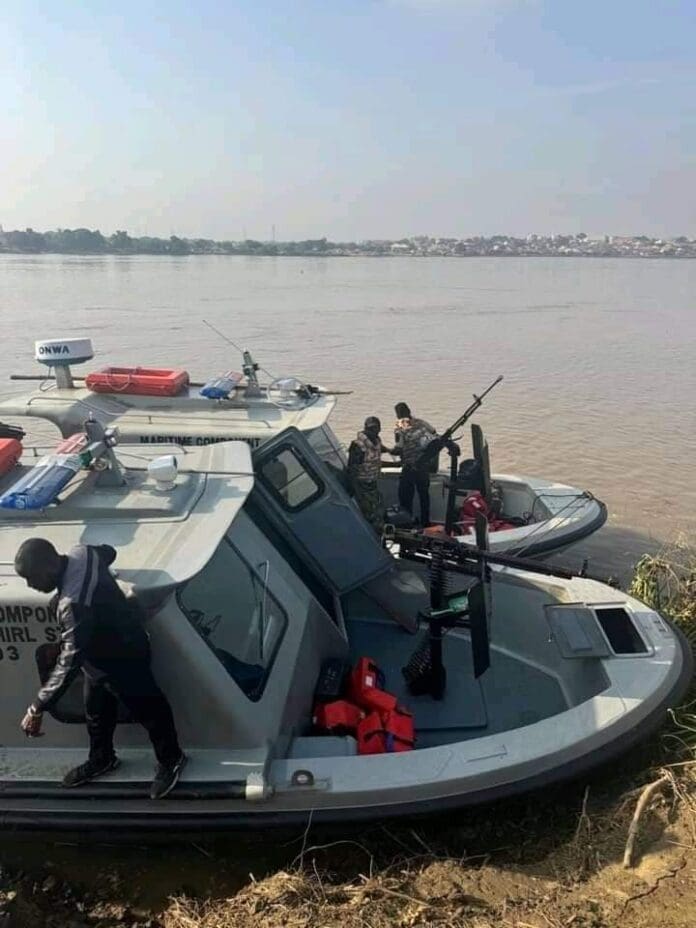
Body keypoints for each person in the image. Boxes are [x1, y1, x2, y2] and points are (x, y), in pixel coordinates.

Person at [15, 538, 186, 800]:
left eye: (32, 578)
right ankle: (102, 758)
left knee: (150, 710)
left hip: (123, 657)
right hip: (97, 661)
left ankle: (172, 760)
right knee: (95, 712)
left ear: (49, 567)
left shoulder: (73, 605)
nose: (30, 586)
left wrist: (38, 707)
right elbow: (109, 552)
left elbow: (70, 658)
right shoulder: (83, 553)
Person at [393, 402, 438, 526]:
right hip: (423, 466)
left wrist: (383, 449)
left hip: (409, 467)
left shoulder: (400, 426)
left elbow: (398, 449)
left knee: (405, 496)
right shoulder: (421, 422)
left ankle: (407, 523)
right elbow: (434, 434)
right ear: (409, 410)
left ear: (399, 414)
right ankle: (425, 522)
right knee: (424, 495)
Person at [347, 416, 393, 532]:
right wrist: (357, 491)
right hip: (362, 485)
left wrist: (396, 462)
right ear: (366, 428)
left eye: (376, 428)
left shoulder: (377, 441)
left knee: (380, 509)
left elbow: (376, 458)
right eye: (371, 428)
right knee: (370, 514)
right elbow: (352, 470)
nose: (373, 431)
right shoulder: (358, 446)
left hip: (372, 483)